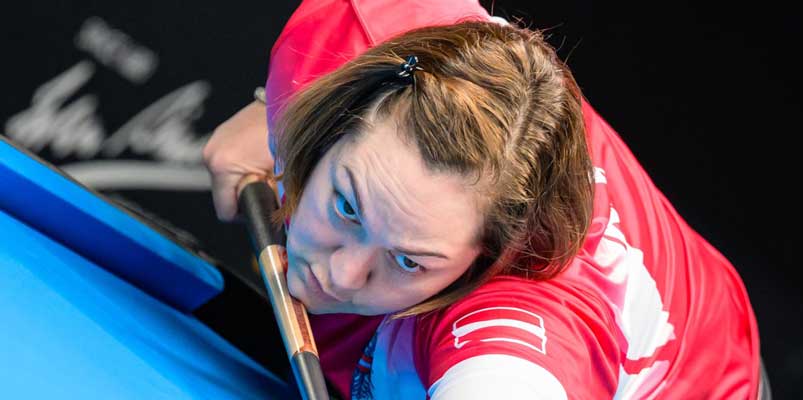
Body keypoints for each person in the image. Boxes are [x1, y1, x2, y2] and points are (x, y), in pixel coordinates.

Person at [203, 1, 766, 399]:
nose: (343, 273)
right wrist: (283, 114)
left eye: (408, 260)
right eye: (346, 205)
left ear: (488, 256)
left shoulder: (518, 327)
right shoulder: (353, 26)